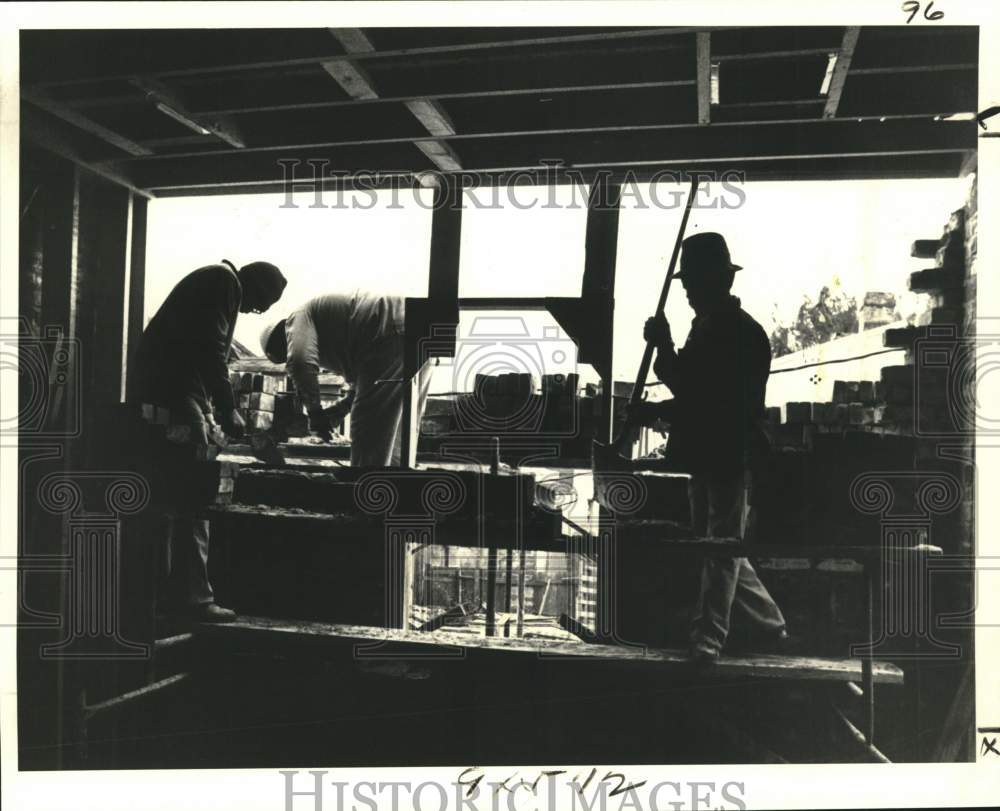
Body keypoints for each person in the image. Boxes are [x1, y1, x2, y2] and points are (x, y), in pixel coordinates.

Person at [628, 233, 787, 664]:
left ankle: (708, 639)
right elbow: (694, 389)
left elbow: (705, 398)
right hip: (705, 454)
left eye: (692, 284)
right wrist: (662, 380)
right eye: (686, 286)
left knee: (719, 547)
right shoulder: (708, 328)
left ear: (718, 281)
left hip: (730, 455)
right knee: (718, 543)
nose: (686, 292)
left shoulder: (740, 333)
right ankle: (772, 624)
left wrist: (662, 348)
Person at [131, 259, 287, 622]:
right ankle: (194, 600)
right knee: (195, 495)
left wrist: (210, 410)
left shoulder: (213, 282)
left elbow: (199, 351)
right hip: (173, 394)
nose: (257, 311)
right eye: (262, 303)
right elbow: (211, 350)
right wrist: (227, 407)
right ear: (253, 284)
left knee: (175, 497)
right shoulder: (223, 282)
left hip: (170, 392)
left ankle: (168, 596)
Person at [260, 292, 431, 467]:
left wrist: (315, 413)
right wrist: (339, 410)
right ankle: (395, 489)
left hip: (389, 330)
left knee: (367, 430)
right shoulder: (334, 333)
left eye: (284, 355)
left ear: (281, 338)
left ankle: (363, 490)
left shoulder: (297, 319)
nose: (287, 356)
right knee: (399, 435)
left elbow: (299, 363)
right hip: (419, 330)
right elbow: (366, 386)